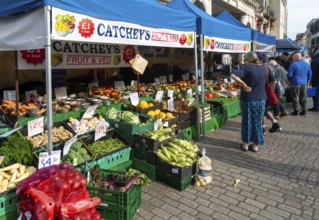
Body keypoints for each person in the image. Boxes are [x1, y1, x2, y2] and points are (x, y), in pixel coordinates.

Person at [230, 52, 266, 153]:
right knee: (258, 122)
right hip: (261, 99)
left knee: (247, 121)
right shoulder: (263, 68)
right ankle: (255, 145)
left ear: (247, 60)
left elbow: (232, 75)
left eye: (244, 59)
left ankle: (245, 144)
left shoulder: (246, 67)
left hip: (249, 99)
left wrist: (243, 84)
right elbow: (271, 81)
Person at [257, 53, 282, 134]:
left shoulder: (262, 68)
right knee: (264, 109)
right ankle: (274, 124)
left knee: (263, 110)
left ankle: (264, 129)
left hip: (262, 92)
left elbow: (273, 81)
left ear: (260, 60)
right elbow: (273, 81)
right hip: (267, 91)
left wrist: (264, 85)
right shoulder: (268, 67)